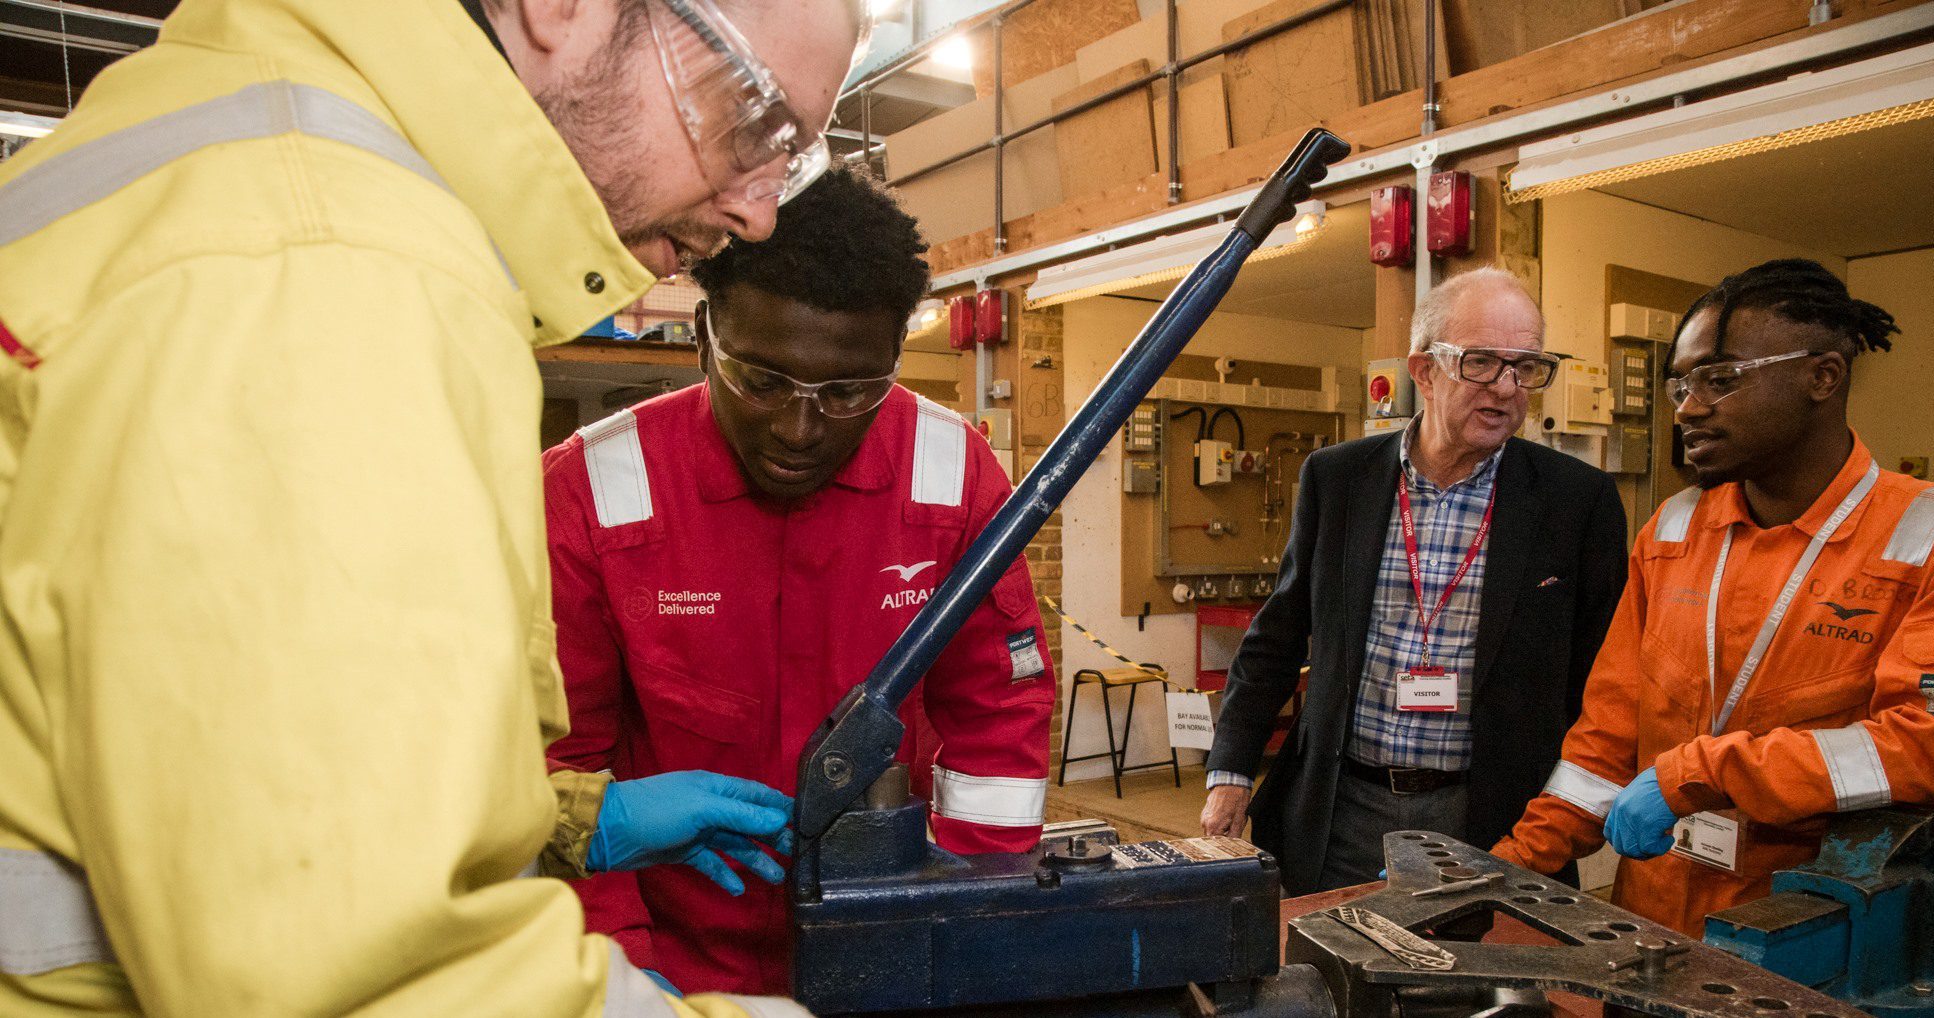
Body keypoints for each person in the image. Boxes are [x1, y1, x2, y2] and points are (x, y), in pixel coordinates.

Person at [0, 0, 867, 1013]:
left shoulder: (239, 139)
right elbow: (347, 972)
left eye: (790, 160)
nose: (759, 212)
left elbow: (213, 751)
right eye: (755, 121)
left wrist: (571, 818)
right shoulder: (324, 266)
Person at [544, 165, 1056, 996]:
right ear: (706, 332)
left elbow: (996, 715)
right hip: (672, 962)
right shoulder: (596, 492)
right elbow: (560, 765)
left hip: (891, 945)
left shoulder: (950, 472)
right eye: (763, 380)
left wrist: (969, 927)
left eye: (850, 390)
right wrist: (621, 981)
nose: (799, 426)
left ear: (896, 352)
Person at [1493, 259, 1934, 935]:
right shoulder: (1673, 530)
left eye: (1720, 380)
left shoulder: (1918, 537)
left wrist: (1702, 772)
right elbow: (1606, 739)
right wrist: (1506, 870)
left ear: (1823, 377)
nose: (1689, 408)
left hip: (1805, 937)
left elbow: (1918, 748)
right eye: (1681, 385)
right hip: (1647, 928)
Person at [1201, 268, 1628, 895]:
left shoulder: (1577, 501)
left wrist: (1569, 812)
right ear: (1423, 370)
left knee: (1477, 989)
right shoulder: (1339, 479)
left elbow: (1604, 678)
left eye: (1526, 367)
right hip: (1341, 811)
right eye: (1481, 363)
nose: (1506, 388)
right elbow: (1280, 632)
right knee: (1327, 977)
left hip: (1491, 819)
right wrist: (1231, 769)